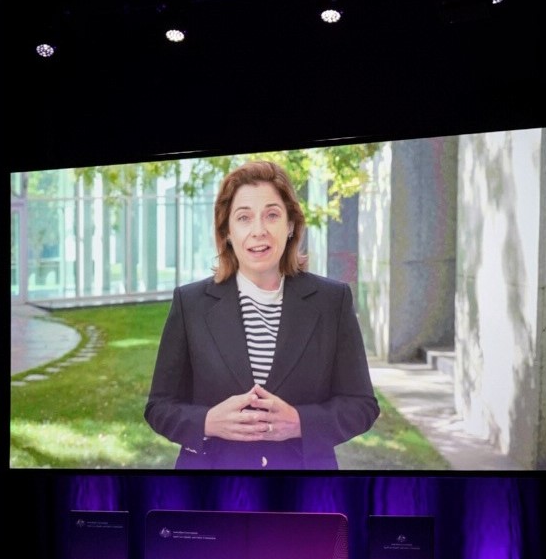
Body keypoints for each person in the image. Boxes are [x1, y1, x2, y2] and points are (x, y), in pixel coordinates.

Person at [144, 160, 379, 470]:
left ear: (291, 225)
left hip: (305, 494)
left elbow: (361, 405)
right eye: (244, 217)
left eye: (272, 215)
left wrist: (300, 423)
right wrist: (207, 422)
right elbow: (159, 407)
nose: (259, 231)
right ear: (226, 231)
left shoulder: (332, 301)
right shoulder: (190, 304)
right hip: (209, 494)